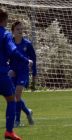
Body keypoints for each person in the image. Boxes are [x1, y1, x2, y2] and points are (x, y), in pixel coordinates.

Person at [0, 9, 33, 140]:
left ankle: (23, 116)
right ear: (4, 20)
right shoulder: (6, 34)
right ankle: (9, 131)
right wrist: (26, 61)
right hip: (2, 74)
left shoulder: (26, 43)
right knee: (11, 100)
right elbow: (13, 52)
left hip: (11, 73)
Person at [8, 21, 36, 127]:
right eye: (17, 29)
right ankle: (28, 112)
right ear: (13, 31)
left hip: (23, 72)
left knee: (18, 94)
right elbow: (5, 58)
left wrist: (34, 74)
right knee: (15, 97)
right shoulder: (9, 43)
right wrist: (8, 69)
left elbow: (34, 59)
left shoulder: (27, 44)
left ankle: (17, 121)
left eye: (21, 29)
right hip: (13, 72)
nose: (20, 31)